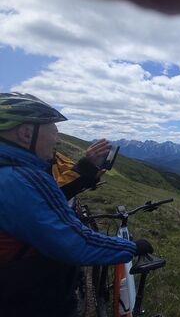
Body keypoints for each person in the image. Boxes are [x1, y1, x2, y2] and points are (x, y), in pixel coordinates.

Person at [0, 92, 153, 315]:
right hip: (30, 298)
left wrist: (86, 166)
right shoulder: (19, 179)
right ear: (26, 133)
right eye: (54, 132)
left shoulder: (10, 171)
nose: (58, 141)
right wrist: (131, 247)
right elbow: (75, 242)